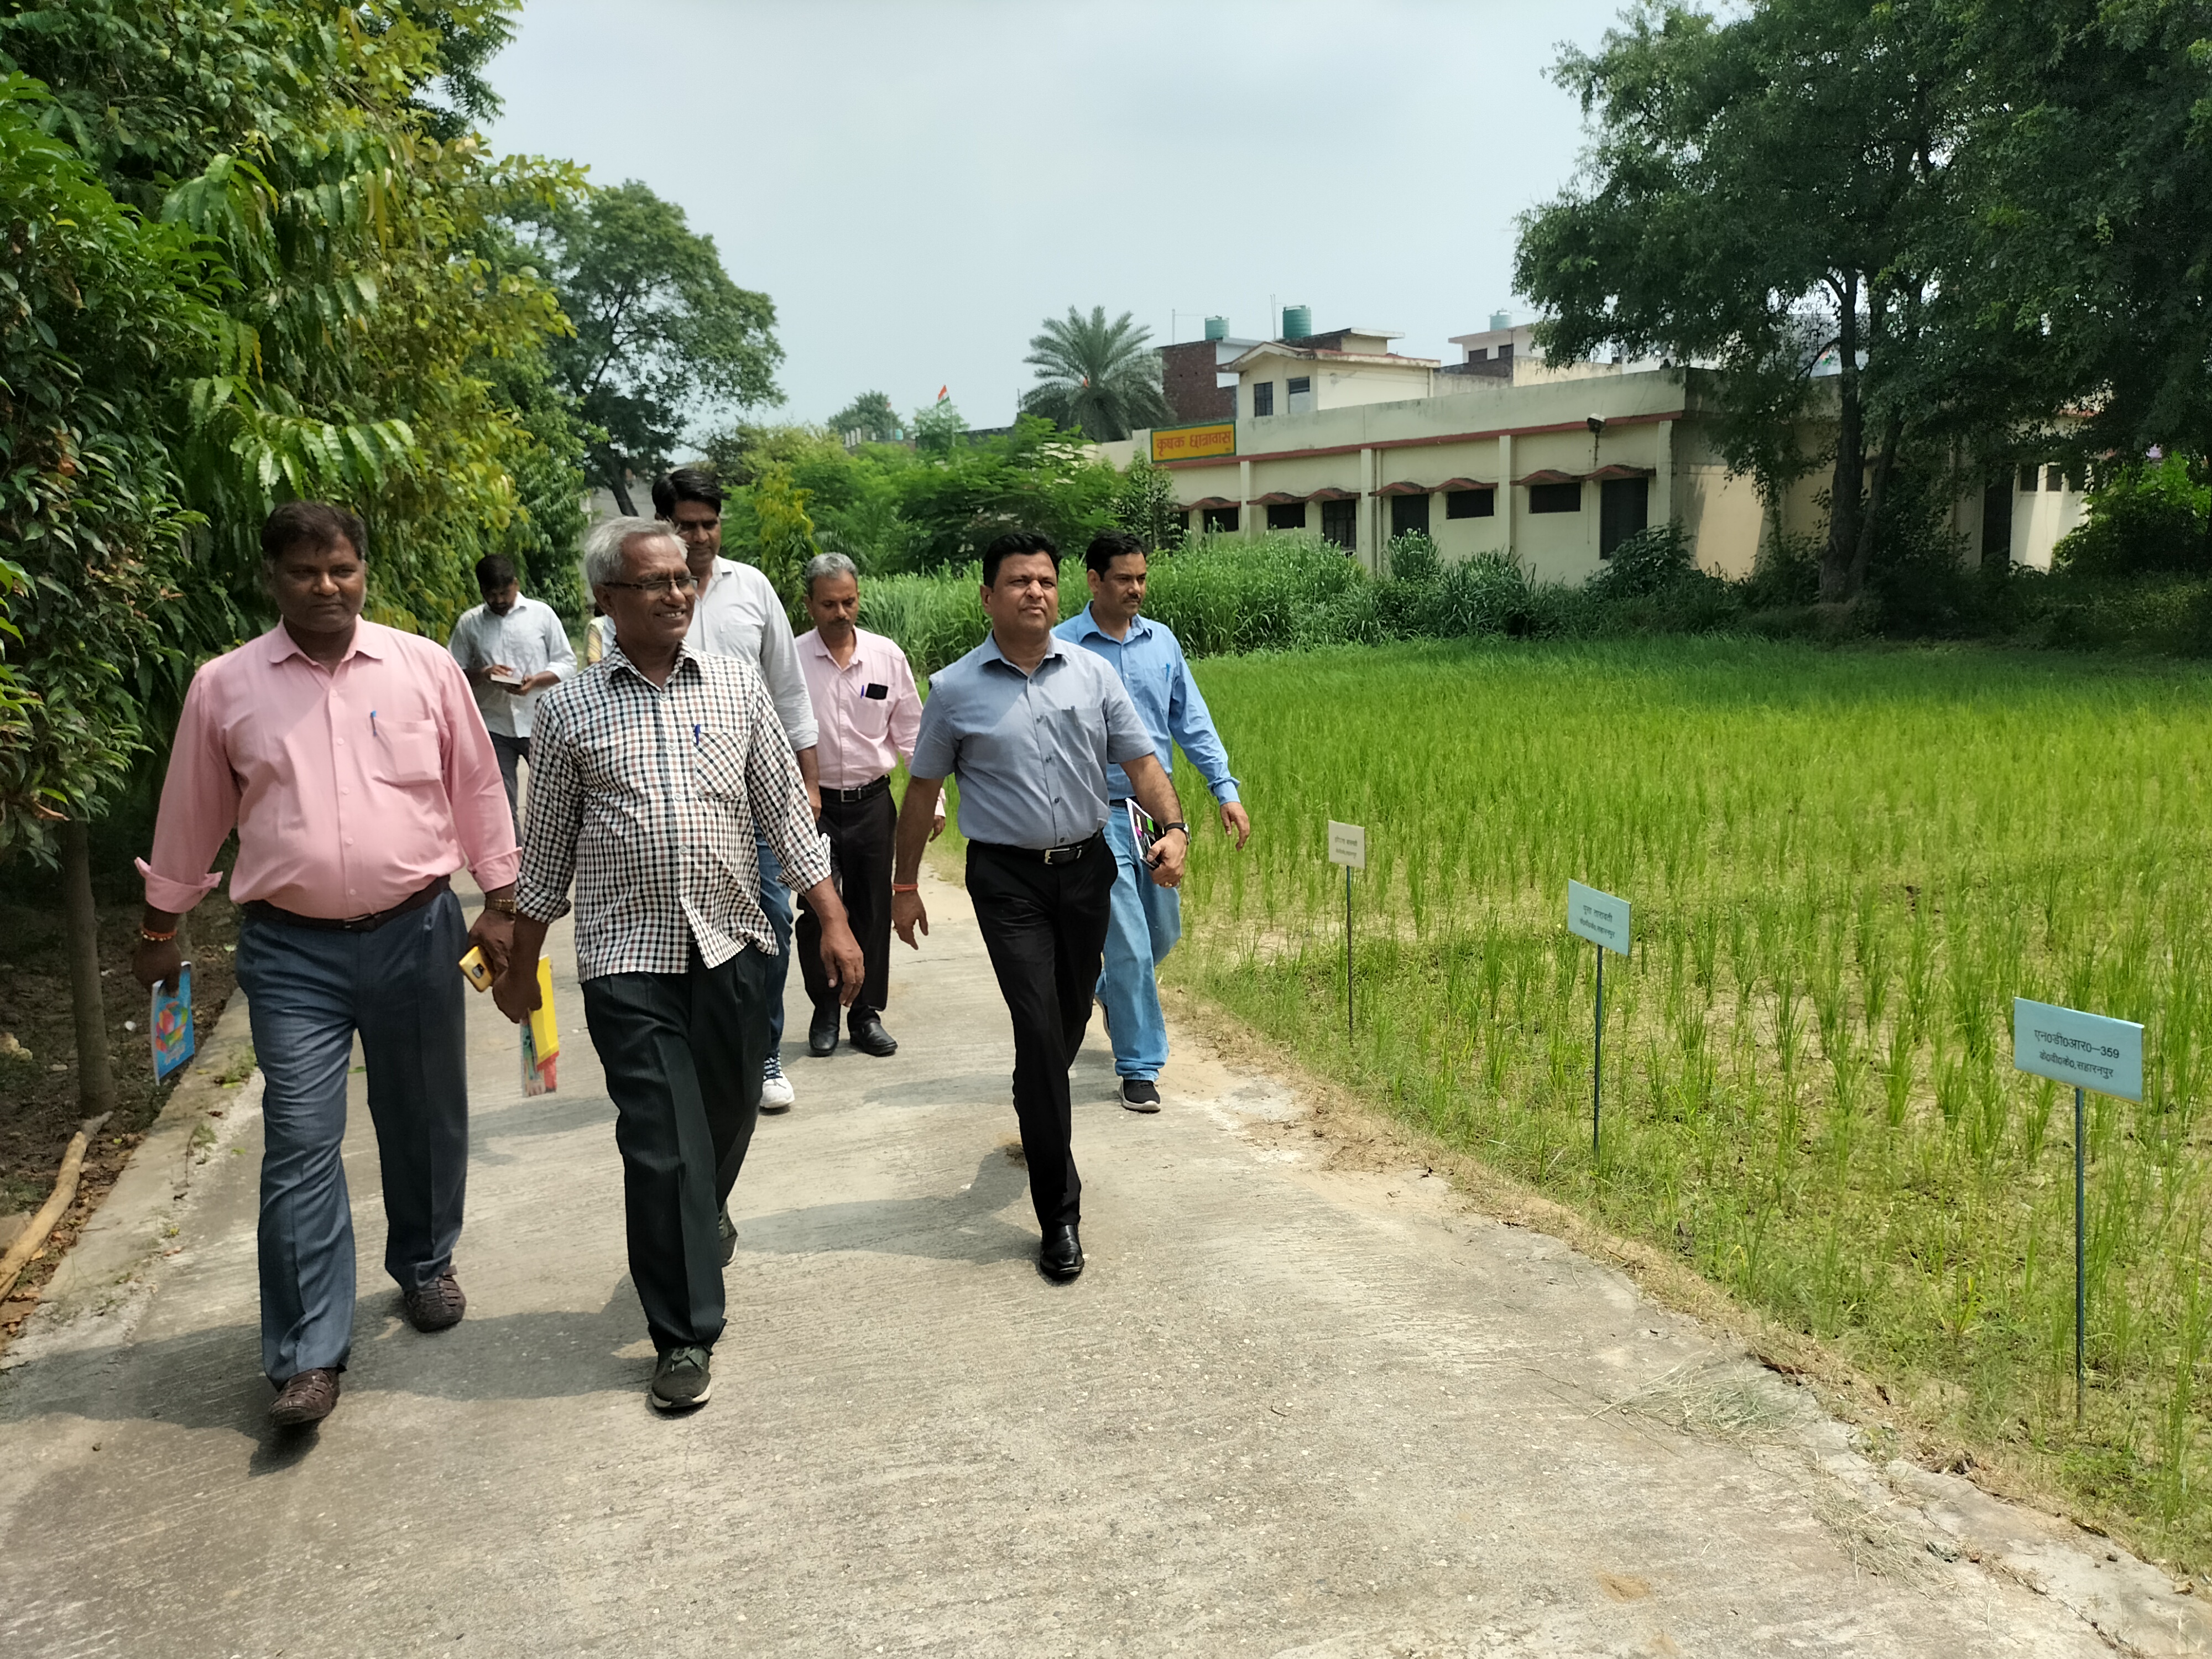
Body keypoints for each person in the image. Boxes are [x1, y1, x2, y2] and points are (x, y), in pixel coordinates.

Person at [132, 502, 520, 1430]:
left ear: (362, 571)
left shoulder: (423, 668)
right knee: (300, 1140)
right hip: (290, 950)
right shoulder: (225, 687)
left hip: (418, 930)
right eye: (305, 571)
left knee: (423, 1116)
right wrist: (159, 930)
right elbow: (190, 812)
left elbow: (475, 785)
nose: (326, 586)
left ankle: (425, 1264)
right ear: (271, 577)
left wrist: (503, 903)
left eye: (342, 568)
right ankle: (308, 1355)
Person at [494, 518, 864, 1413]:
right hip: (628, 961)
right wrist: (520, 968)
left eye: (681, 580)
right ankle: (685, 1334)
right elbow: (547, 858)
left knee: (727, 1118)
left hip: (734, 944)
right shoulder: (570, 710)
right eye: (652, 582)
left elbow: (785, 815)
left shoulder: (737, 686)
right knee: (662, 1147)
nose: (674, 594)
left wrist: (835, 923)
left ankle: (705, 1211)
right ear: (606, 599)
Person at [890, 530, 1189, 1284]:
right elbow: (922, 791)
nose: (1035, 592)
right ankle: (1059, 1215)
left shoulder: (1092, 674)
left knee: (1068, 1019)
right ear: (987, 597)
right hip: (1008, 880)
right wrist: (904, 885)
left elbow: (1141, 761)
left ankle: (1036, 1096)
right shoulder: (955, 689)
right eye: (1019, 581)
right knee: (1036, 1025)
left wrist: (1175, 828)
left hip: (1087, 869)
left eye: (1046, 581)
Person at [1054, 531, 1251, 1111]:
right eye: (1124, 579)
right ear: (1094, 581)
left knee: (1163, 932)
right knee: (1130, 943)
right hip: (1094, 816)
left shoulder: (1161, 642)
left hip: (1153, 815)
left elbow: (1191, 720)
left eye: (1142, 578)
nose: (1136, 588)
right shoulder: (1064, 647)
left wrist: (1224, 789)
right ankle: (1139, 1067)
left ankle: (1108, 990)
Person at [652, 467, 819, 1115]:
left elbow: (789, 690)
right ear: (663, 525)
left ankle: (762, 1049)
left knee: (771, 920)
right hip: (677, 800)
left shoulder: (751, 588)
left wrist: (808, 782)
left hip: (756, 793)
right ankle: (700, 1051)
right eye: (685, 525)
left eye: (709, 524)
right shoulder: (642, 595)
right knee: (688, 925)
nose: (698, 537)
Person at [792, 551, 942, 1058]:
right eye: (829, 604)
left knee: (873, 910)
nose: (841, 613)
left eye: (849, 602)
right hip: (811, 808)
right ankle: (825, 1009)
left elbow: (914, 735)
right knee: (818, 911)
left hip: (872, 803)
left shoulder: (886, 657)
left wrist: (935, 800)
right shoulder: (790, 662)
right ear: (810, 605)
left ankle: (865, 1014)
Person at [446, 552, 576, 836]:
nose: (499, 600)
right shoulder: (470, 624)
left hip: (540, 721)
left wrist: (535, 680)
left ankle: (554, 850)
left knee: (553, 797)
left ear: (516, 584)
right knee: (502, 800)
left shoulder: (541, 615)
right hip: (494, 724)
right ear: (482, 590)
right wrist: (485, 673)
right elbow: (452, 672)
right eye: (491, 595)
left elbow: (567, 663)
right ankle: (516, 856)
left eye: (504, 593)